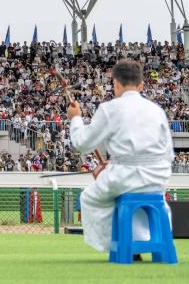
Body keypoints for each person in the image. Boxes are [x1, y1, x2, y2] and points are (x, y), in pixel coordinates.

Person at [68, 59, 173, 255]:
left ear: (115, 84)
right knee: (140, 200)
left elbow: (82, 143)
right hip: (157, 177)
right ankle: (143, 241)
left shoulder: (110, 109)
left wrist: (75, 118)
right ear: (141, 85)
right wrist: (119, 161)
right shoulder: (157, 111)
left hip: (124, 177)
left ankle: (119, 245)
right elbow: (168, 153)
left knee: (89, 198)